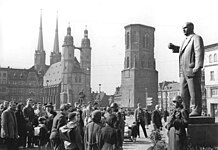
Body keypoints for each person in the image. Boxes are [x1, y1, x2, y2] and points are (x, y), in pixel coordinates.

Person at [168, 22, 204, 116]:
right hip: (183, 71)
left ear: (191, 27)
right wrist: (174, 48)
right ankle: (186, 109)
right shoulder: (185, 40)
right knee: (183, 92)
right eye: (182, 28)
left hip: (192, 69)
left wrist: (198, 66)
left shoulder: (196, 38)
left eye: (185, 28)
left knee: (194, 91)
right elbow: (183, 49)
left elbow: (198, 51)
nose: (183, 30)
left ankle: (196, 109)